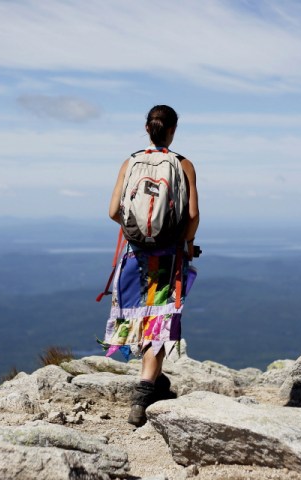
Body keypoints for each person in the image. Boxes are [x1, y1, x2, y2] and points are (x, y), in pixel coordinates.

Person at [102, 104, 199, 426]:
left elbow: (113, 211)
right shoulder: (183, 164)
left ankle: (156, 384)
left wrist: (137, 233)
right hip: (168, 257)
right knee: (158, 318)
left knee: (139, 317)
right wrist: (186, 245)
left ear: (147, 128)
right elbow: (193, 215)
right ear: (173, 130)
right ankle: (144, 393)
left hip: (135, 255)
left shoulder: (130, 162)